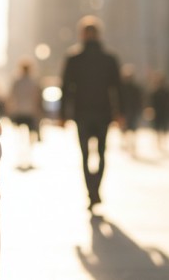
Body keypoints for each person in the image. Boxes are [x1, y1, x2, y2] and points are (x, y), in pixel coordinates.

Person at [60, 16, 123, 212]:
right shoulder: (110, 59)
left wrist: (63, 114)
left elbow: (66, 89)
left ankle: (92, 191)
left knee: (86, 155)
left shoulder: (74, 59)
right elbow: (118, 89)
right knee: (102, 153)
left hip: (82, 113)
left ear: (82, 35)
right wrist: (120, 113)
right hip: (103, 113)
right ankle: (95, 189)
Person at [7, 58, 44, 169]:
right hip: (30, 112)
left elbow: (11, 97)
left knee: (19, 136)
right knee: (30, 136)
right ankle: (28, 157)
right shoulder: (34, 82)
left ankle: (21, 157)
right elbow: (37, 98)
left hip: (19, 112)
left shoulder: (17, 82)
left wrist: (11, 111)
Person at [118, 64, 144, 154]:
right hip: (127, 111)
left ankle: (130, 143)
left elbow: (139, 100)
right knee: (126, 128)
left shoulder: (128, 88)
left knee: (130, 128)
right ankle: (128, 143)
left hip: (130, 111)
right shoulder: (122, 88)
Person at [148, 71, 169, 151]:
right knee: (159, 126)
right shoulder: (155, 91)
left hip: (162, 112)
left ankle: (161, 140)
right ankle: (159, 140)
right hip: (159, 112)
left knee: (162, 126)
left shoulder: (164, 92)